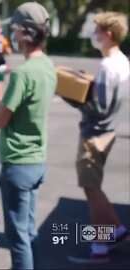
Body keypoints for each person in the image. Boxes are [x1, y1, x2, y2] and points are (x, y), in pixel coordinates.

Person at [0, 2, 55, 269]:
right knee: (29, 233)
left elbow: (0, 118)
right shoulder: (48, 67)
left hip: (17, 164)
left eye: (15, 30)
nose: (13, 36)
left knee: (17, 240)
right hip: (37, 161)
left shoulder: (22, 75)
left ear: (26, 33)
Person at [65, 12, 130, 264]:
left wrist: (73, 96)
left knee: (91, 190)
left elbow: (98, 107)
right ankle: (116, 230)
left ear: (108, 34)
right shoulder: (123, 62)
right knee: (93, 187)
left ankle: (101, 245)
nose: (95, 35)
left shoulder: (107, 66)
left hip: (95, 134)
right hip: (109, 131)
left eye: (97, 31)